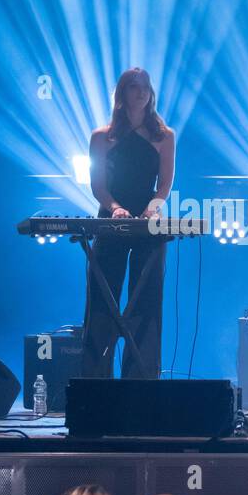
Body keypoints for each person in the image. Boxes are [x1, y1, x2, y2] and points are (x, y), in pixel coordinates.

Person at [83, 67, 176, 380]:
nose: (141, 93)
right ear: (122, 94)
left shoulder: (164, 137)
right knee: (103, 299)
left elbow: (164, 183)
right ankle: (96, 384)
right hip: (111, 220)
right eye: (134, 87)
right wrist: (115, 208)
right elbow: (98, 185)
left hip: (148, 222)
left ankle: (140, 383)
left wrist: (152, 208)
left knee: (146, 302)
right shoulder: (102, 136)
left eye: (145, 87)